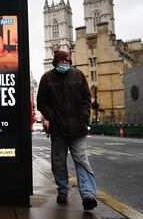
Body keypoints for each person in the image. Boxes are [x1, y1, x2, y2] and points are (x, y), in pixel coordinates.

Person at [36, 50, 98, 210]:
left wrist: (84, 116)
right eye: (61, 62)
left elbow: (86, 98)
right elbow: (41, 102)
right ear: (55, 63)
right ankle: (62, 190)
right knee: (58, 162)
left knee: (82, 160)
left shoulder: (78, 75)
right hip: (58, 130)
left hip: (78, 128)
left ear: (70, 62)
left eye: (66, 62)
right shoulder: (47, 78)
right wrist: (52, 116)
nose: (64, 65)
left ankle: (88, 195)